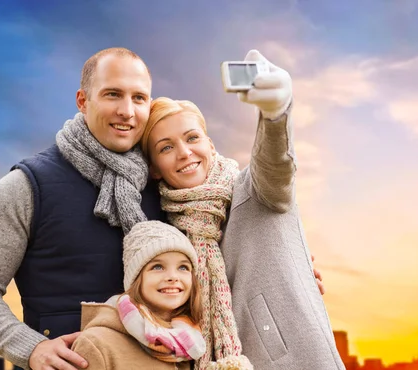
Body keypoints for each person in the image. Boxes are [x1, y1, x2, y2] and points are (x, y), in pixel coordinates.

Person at [142, 50, 345, 369]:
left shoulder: (255, 190)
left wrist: (275, 112)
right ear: (154, 168)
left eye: (192, 137)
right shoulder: (168, 240)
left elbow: (275, 163)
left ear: (209, 144)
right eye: (166, 147)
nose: (184, 153)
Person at [0, 47, 164, 370]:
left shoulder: (164, 182)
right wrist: (33, 348)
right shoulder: (26, 186)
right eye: (113, 94)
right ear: (83, 101)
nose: (127, 111)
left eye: (139, 98)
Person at [71, 220, 207, 369]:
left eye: (183, 267)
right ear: (135, 279)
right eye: (157, 266)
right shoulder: (97, 343)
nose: (173, 277)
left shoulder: (192, 343)